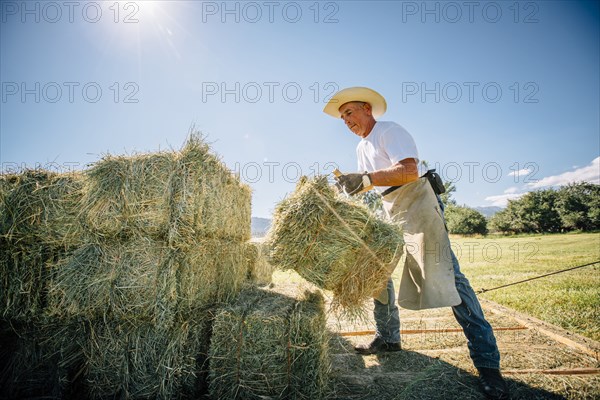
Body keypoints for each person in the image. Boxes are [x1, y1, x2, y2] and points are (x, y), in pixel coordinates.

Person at [324, 87, 509, 400]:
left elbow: (408, 170)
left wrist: (366, 179)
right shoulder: (361, 147)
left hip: (417, 202)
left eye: (350, 112)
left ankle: (488, 365)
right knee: (377, 274)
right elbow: (371, 184)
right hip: (389, 209)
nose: (346, 120)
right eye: (342, 117)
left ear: (367, 109)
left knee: (447, 278)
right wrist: (350, 186)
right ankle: (388, 338)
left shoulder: (389, 131)